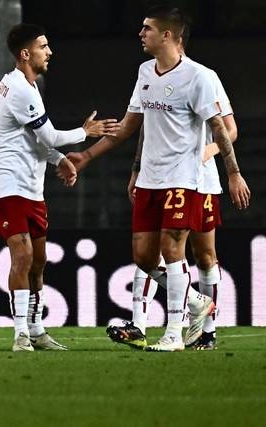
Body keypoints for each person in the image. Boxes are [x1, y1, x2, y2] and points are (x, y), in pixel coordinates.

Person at [66, 6, 250, 352]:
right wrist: (88, 155)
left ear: (168, 35)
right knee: (144, 257)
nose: (140, 33)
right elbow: (132, 126)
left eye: (147, 28)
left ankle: (176, 333)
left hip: (187, 178)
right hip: (151, 178)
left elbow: (222, 129)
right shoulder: (144, 72)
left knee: (185, 251)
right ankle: (197, 303)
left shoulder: (200, 77)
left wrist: (233, 172)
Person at [0, 23, 121, 351]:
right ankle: (20, 335)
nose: (50, 52)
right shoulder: (18, 89)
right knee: (23, 255)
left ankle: (37, 329)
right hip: (6, 184)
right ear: (26, 54)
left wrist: (59, 160)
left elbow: (36, 141)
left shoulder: (25, 87)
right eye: (44, 46)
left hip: (30, 188)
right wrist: (86, 131)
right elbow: (50, 135)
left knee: (39, 260)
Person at [107, 26, 238, 351]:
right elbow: (143, 126)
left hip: (201, 180)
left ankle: (206, 330)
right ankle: (141, 323)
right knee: (156, 250)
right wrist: (137, 169)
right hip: (164, 176)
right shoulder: (154, 76)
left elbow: (229, 129)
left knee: (204, 255)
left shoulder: (204, 78)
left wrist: (211, 153)